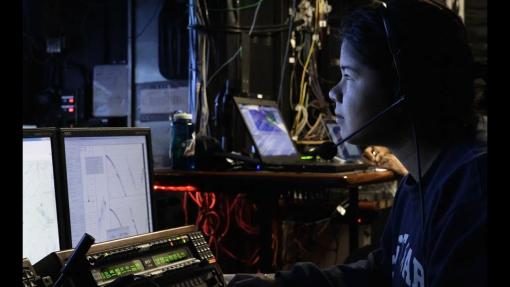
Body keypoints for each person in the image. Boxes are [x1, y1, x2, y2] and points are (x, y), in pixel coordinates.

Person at [227, 0, 487, 286]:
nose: (334, 92)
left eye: (349, 76)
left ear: (405, 86)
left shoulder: (472, 191)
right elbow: (383, 271)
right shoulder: (422, 177)